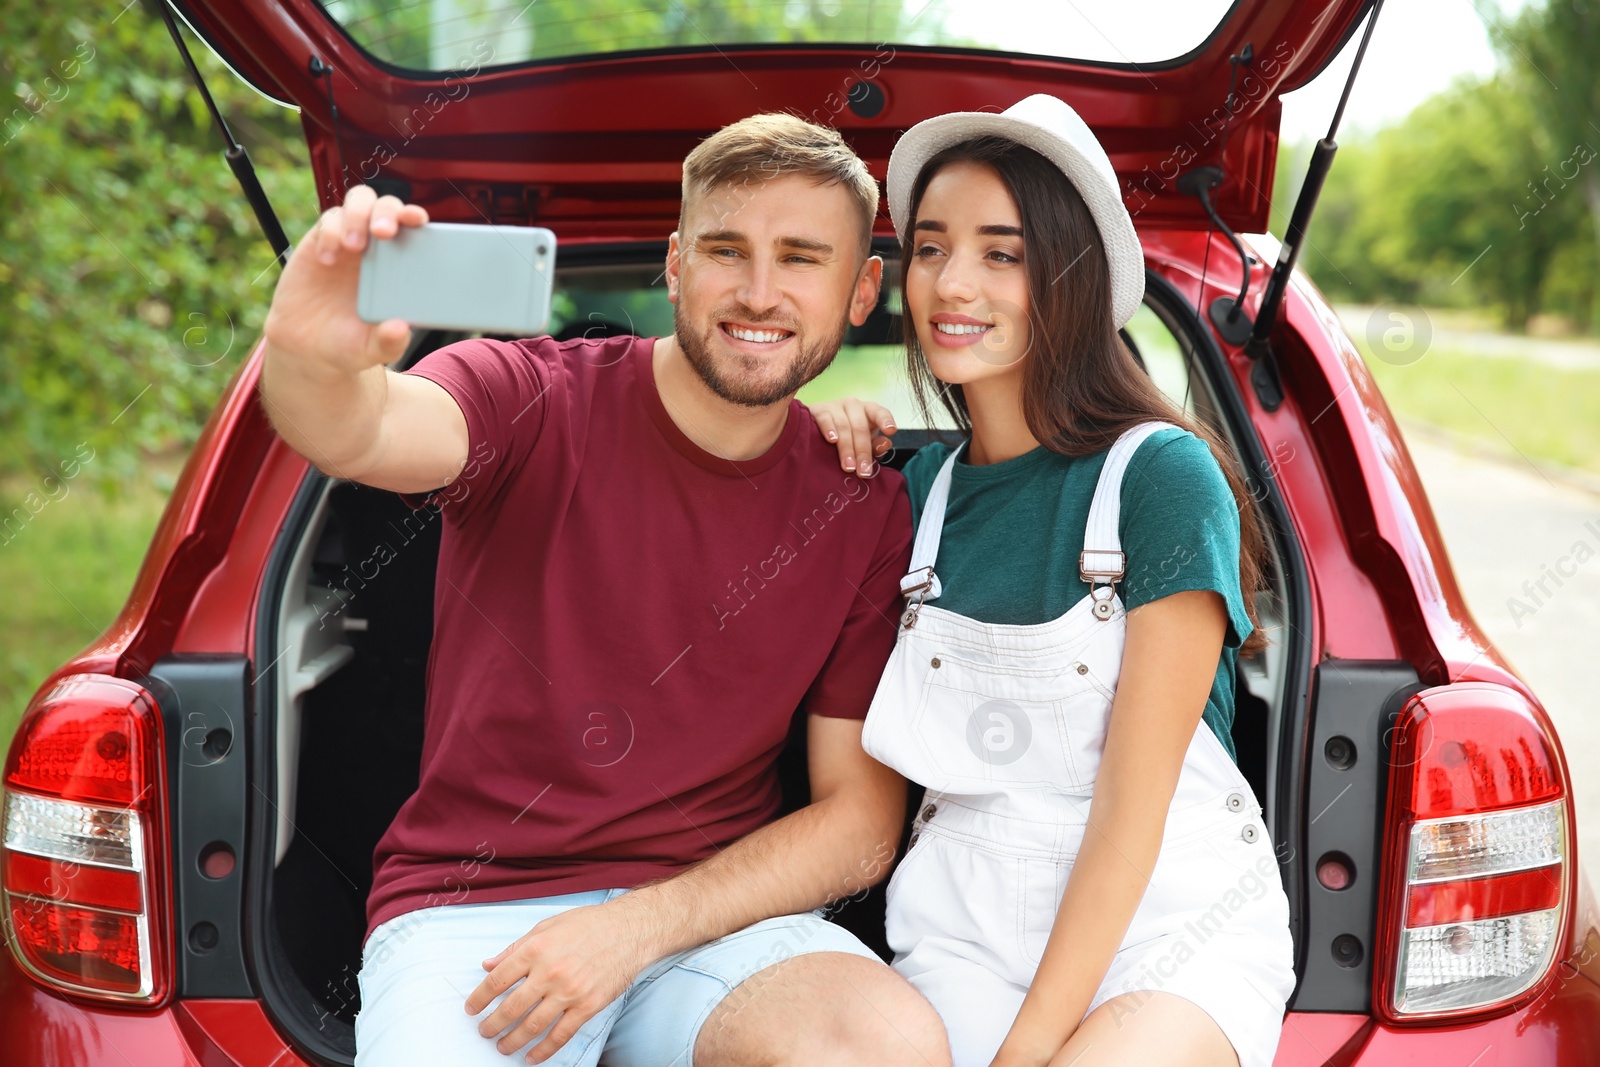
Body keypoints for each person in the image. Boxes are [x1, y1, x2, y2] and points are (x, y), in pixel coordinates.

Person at [257, 113, 953, 1066]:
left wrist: (633, 928)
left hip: (712, 920)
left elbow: (861, 825)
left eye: (800, 257)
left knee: (885, 1045)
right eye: (724, 249)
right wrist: (309, 355)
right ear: (674, 264)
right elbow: (363, 429)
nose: (758, 291)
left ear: (862, 289)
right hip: (475, 914)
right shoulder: (532, 396)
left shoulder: (863, 508)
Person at [806, 94, 1297, 1067]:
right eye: (934, 246)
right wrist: (812, 436)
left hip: (1168, 924)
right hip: (962, 922)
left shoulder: (1159, 477)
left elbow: (1129, 812)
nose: (953, 282)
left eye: (1003, 252)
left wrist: (1024, 1052)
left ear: (1068, 276)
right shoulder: (918, 493)